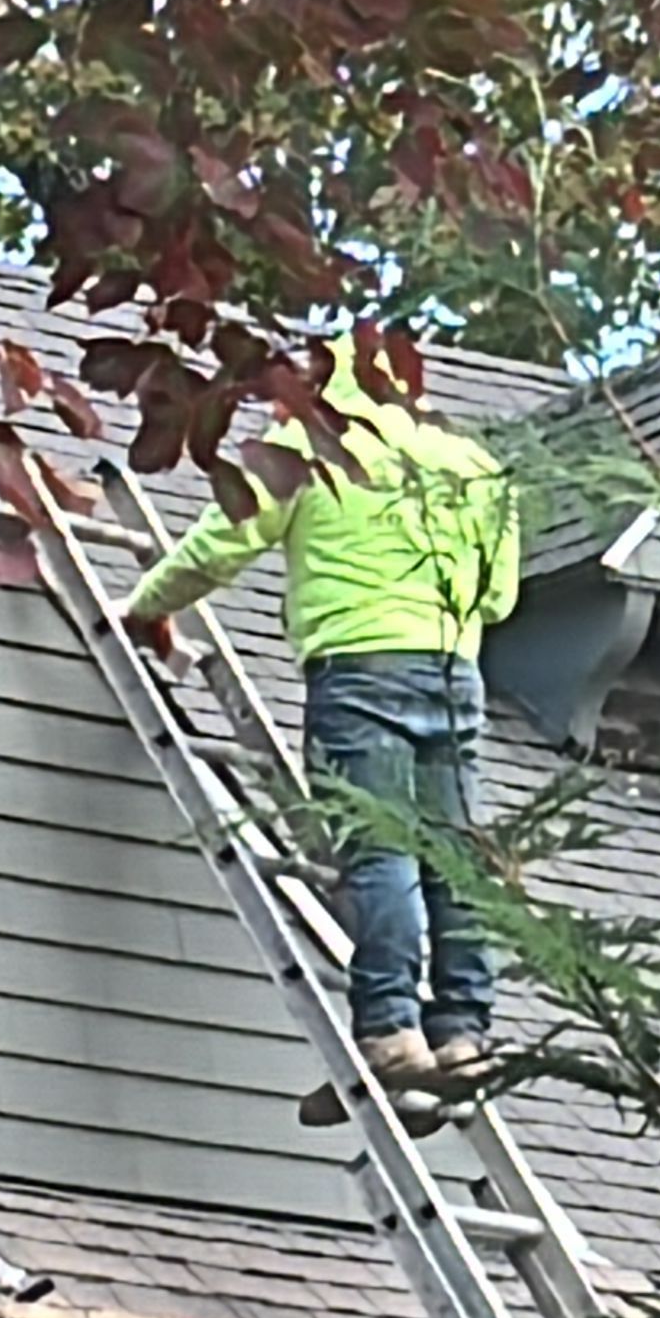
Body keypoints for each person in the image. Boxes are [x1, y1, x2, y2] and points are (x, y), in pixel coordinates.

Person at [119, 333, 520, 1125]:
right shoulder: (470, 463)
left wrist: (147, 607)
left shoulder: (308, 445)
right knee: (453, 856)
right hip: (453, 671)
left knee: (379, 849)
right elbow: (499, 596)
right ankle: (465, 1033)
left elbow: (223, 541)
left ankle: (391, 1034)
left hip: (359, 668)